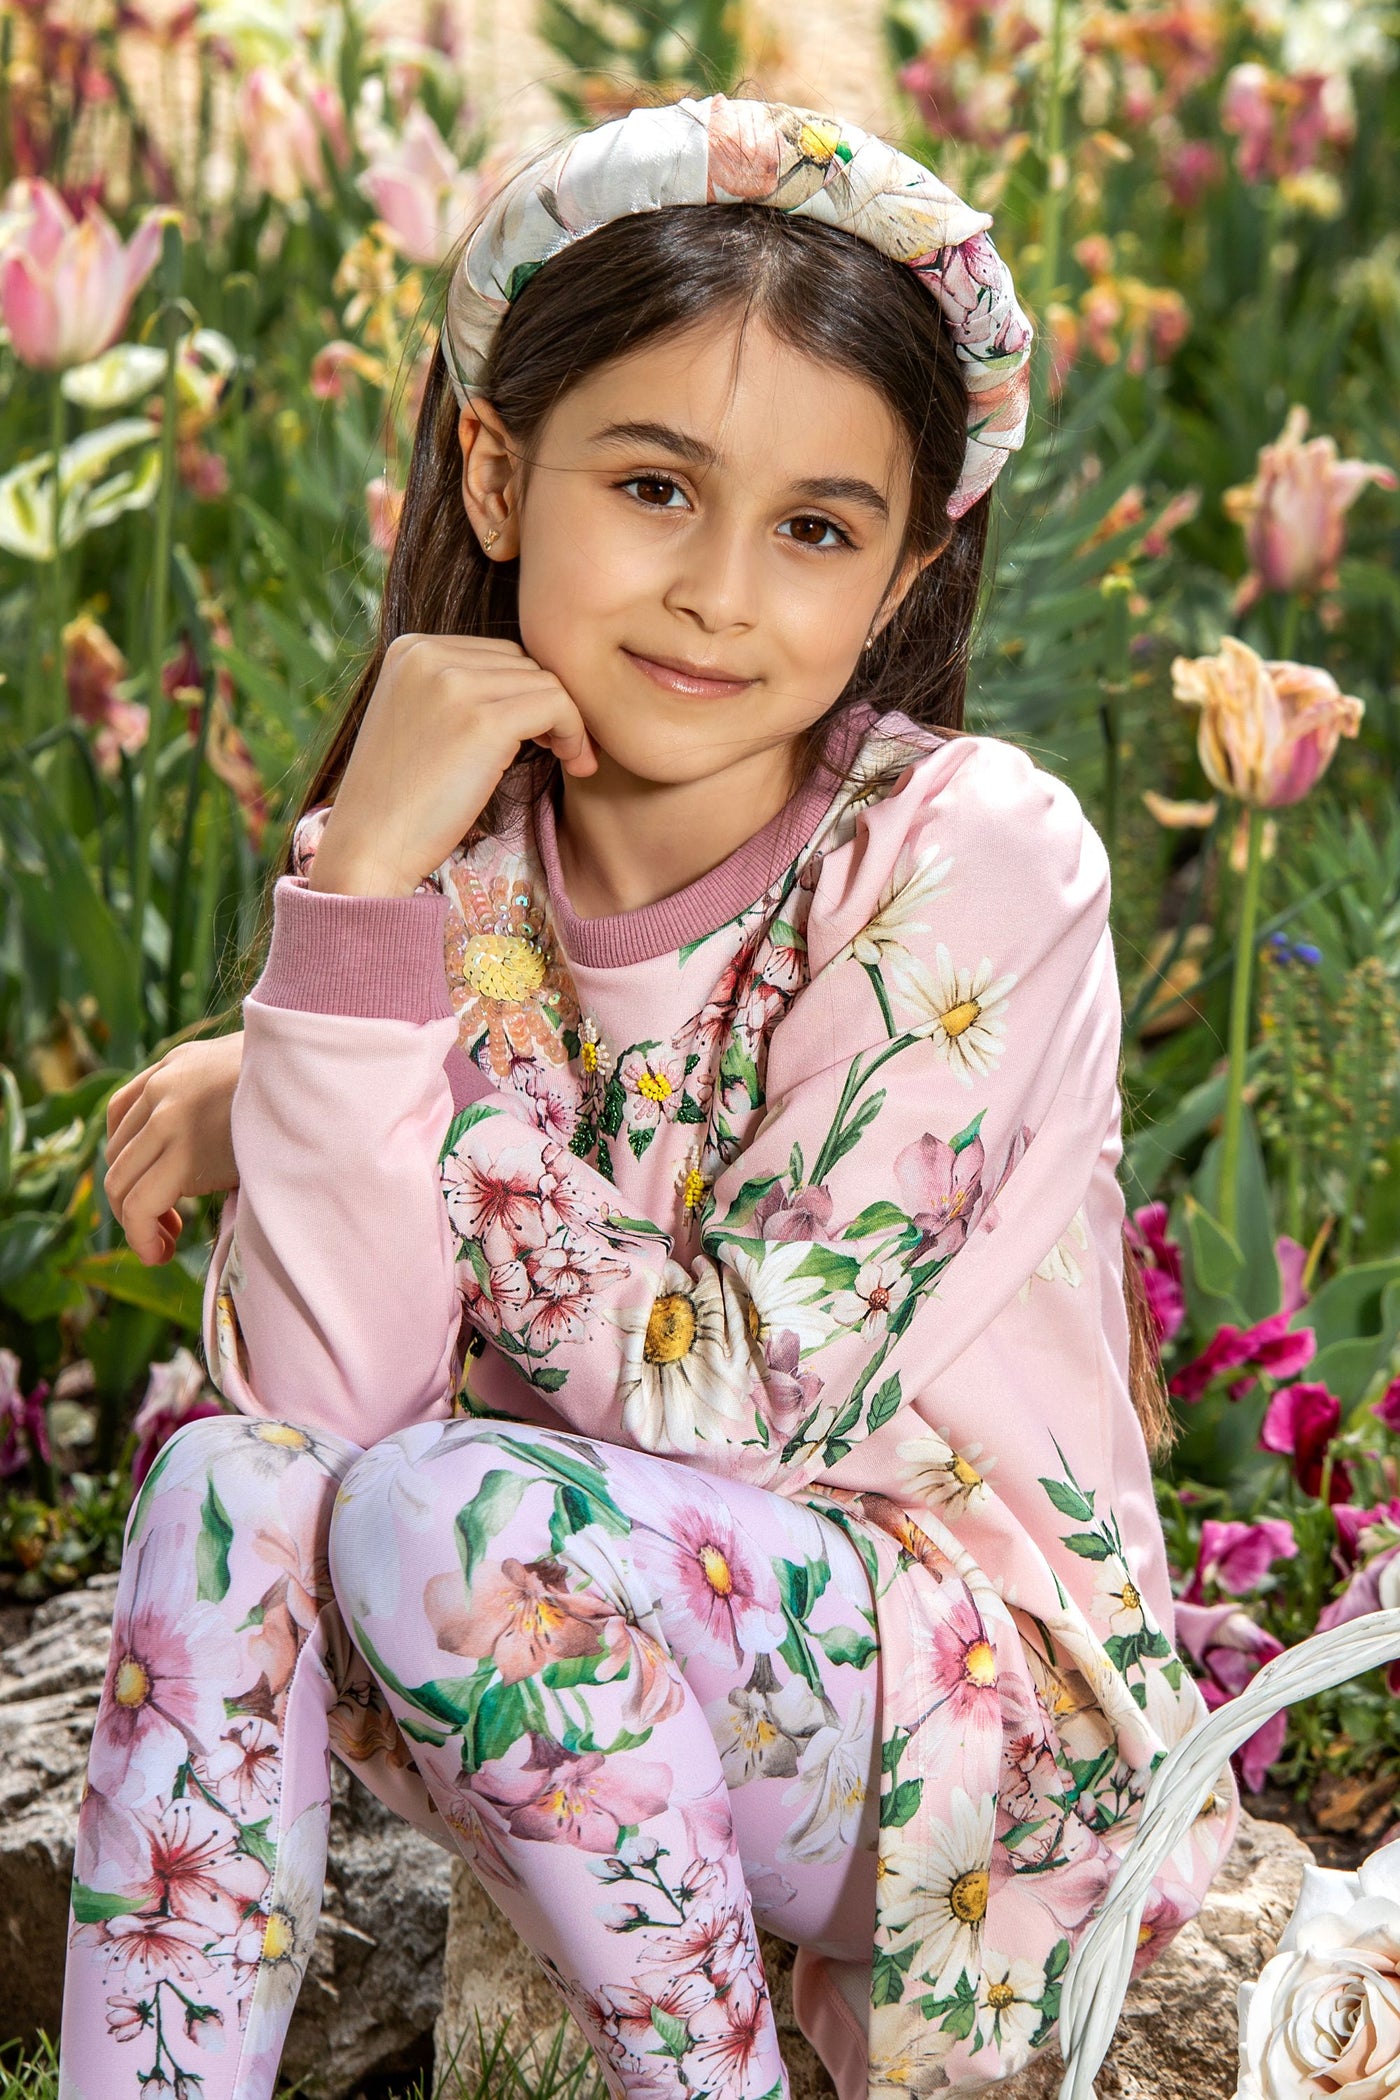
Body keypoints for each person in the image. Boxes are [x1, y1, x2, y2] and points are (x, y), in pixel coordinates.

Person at [59, 90, 1240, 2100]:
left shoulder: (974, 853)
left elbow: (743, 1402)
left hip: (969, 1730)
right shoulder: (430, 876)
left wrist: (322, 1069)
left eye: (814, 530)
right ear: (495, 470)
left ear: (904, 570)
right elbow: (330, 1420)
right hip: (541, 1625)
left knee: (447, 1501)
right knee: (228, 1478)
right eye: (653, 486)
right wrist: (356, 922)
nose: (717, 592)